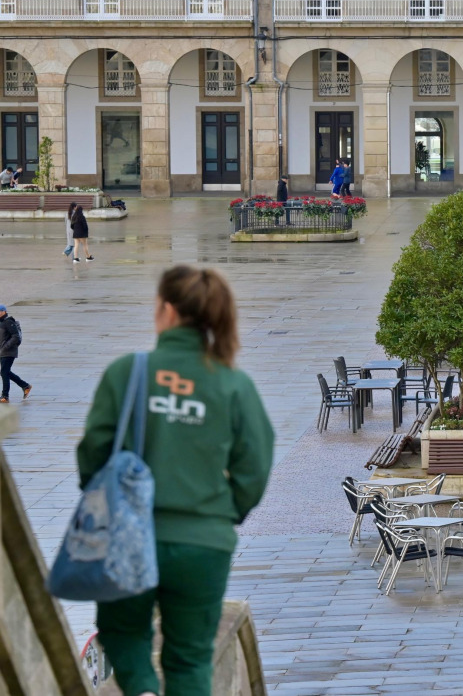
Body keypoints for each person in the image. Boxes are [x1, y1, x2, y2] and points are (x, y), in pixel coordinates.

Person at [78, 265, 274, 696]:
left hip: (131, 536)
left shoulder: (127, 373)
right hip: (204, 542)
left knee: (123, 633)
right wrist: (223, 513)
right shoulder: (233, 385)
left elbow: (92, 453)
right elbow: (255, 466)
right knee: (189, 659)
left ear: (166, 311)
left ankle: (143, 689)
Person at [0, 304, 31, 403]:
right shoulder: (1, 322)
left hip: (8, 352)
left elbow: (16, 336)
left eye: (0, 311)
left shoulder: (8, 322)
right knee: (6, 372)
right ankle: (25, 386)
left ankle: (5, 396)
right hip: (2, 351)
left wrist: (5, 347)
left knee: (4, 372)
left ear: (4, 311)